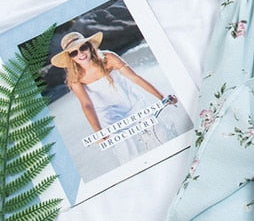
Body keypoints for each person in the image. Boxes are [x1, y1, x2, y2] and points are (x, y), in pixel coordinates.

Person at [51, 30, 177, 162]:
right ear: (70, 57)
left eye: (83, 47)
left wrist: (162, 97)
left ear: (89, 46)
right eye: (74, 52)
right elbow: (86, 104)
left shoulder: (108, 58)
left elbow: (135, 78)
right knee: (127, 148)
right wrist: (98, 130)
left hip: (132, 102)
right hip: (109, 113)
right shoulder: (75, 78)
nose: (81, 54)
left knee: (159, 134)